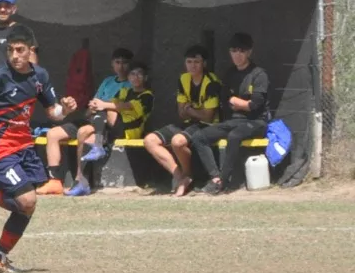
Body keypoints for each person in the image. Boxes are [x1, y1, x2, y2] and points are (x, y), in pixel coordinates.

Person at [0, 25, 76, 272]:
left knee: (28, 206)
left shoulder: (40, 77)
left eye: (20, 50)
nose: (14, 55)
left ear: (30, 50)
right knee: (27, 199)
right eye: (10, 50)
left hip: (24, 148)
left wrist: (64, 109)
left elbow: (52, 112)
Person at [41, 47, 132, 195]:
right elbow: (92, 105)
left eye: (125, 63)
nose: (121, 66)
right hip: (93, 118)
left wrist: (103, 105)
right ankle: (54, 181)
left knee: (84, 132)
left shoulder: (131, 83)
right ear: (112, 64)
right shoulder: (108, 81)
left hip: (108, 124)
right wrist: (92, 107)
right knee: (53, 134)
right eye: (118, 62)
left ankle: (80, 180)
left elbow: (128, 107)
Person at [188, 33, 270, 194]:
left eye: (241, 51)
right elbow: (225, 100)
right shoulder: (230, 73)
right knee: (199, 137)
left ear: (249, 52)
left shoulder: (259, 74)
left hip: (257, 122)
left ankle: (224, 181)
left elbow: (255, 105)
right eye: (233, 51)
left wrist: (238, 102)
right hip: (234, 120)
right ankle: (215, 177)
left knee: (234, 136)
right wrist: (240, 103)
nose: (237, 55)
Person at [65, 62, 154, 197]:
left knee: (108, 109)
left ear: (146, 78)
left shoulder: (147, 95)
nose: (136, 77)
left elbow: (127, 106)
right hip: (111, 127)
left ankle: (99, 145)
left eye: (139, 74)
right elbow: (113, 102)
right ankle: (82, 183)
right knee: (87, 137)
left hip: (130, 130)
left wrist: (103, 105)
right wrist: (95, 105)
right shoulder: (124, 90)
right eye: (133, 74)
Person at [143, 45, 220, 197]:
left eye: (196, 62)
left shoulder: (212, 82)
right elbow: (181, 114)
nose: (192, 65)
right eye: (189, 62)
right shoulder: (183, 79)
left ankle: (188, 175)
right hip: (189, 123)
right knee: (149, 140)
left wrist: (190, 110)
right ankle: (179, 176)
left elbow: (208, 117)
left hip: (207, 126)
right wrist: (192, 112)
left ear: (204, 63)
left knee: (178, 142)